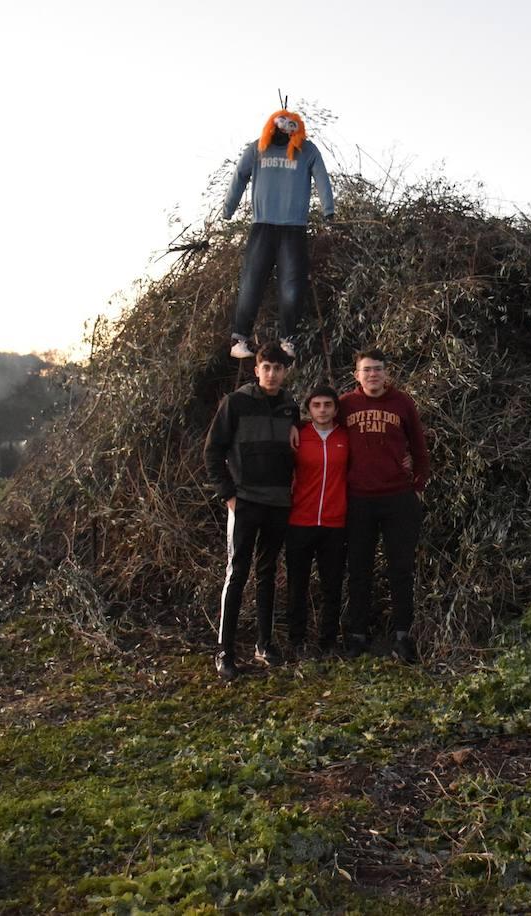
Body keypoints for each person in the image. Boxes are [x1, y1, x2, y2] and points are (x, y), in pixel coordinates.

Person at [204, 342, 298, 680]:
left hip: (278, 503)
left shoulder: (290, 407)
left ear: (285, 372)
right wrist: (228, 495)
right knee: (237, 573)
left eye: (278, 368)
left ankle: (264, 644)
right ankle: (225, 651)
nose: (272, 374)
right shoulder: (235, 403)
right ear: (256, 370)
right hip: (244, 502)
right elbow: (212, 451)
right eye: (266, 368)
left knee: (268, 573)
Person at [218, 108, 336, 360]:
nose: (284, 131)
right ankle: (239, 339)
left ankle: (288, 339)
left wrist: (329, 211)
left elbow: (322, 178)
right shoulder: (257, 149)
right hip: (262, 224)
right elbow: (239, 175)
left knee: (291, 284)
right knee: (252, 281)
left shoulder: (307, 150)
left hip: (294, 227)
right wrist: (228, 209)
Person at [339, 349, 430, 663]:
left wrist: (417, 485)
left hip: (397, 498)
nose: (372, 374)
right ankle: (358, 634)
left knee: (401, 569)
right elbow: (325, 433)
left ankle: (403, 635)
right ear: (357, 375)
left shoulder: (402, 403)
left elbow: (419, 448)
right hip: (358, 499)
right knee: (359, 569)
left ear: (386, 372)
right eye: (366, 370)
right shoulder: (345, 404)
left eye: (377, 369)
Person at [284, 383, 349, 658]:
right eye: (317, 405)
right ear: (309, 409)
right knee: (297, 585)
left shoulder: (346, 437)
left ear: (335, 409)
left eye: (328, 405)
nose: (322, 410)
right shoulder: (298, 436)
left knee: (331, 586)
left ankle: (327, 642)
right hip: (300, 521)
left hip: (335, 523)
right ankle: (296, 640)